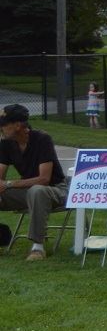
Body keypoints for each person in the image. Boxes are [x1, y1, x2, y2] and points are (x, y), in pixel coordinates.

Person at [0, 104, 70, 260]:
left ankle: (37, 248)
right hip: (27, 191)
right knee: (31, 191)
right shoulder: (6, 142)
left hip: (55, 190)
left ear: (17, 125)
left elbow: (44, 179)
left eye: (3, 125)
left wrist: (9, 184)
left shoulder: (41, 139)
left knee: (37, 190)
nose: (1, 128)